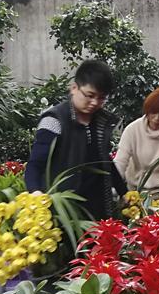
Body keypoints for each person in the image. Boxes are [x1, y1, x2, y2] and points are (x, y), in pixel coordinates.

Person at [24, 60, 127, 220]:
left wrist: (124, 192)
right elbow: (35, 164)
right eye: (90, 95)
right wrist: (36, 193)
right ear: (74, 88)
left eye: (101, 98)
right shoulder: (54, 121)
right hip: (64, 213)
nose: (94, 103)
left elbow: (105, 162)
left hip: (98, 211)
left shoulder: (101, 122)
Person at [114, 87, 159, 198]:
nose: (156, 119)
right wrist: (112, 190)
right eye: (153, 113)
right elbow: (120, 163)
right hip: (135, 194)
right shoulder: (132, 130)